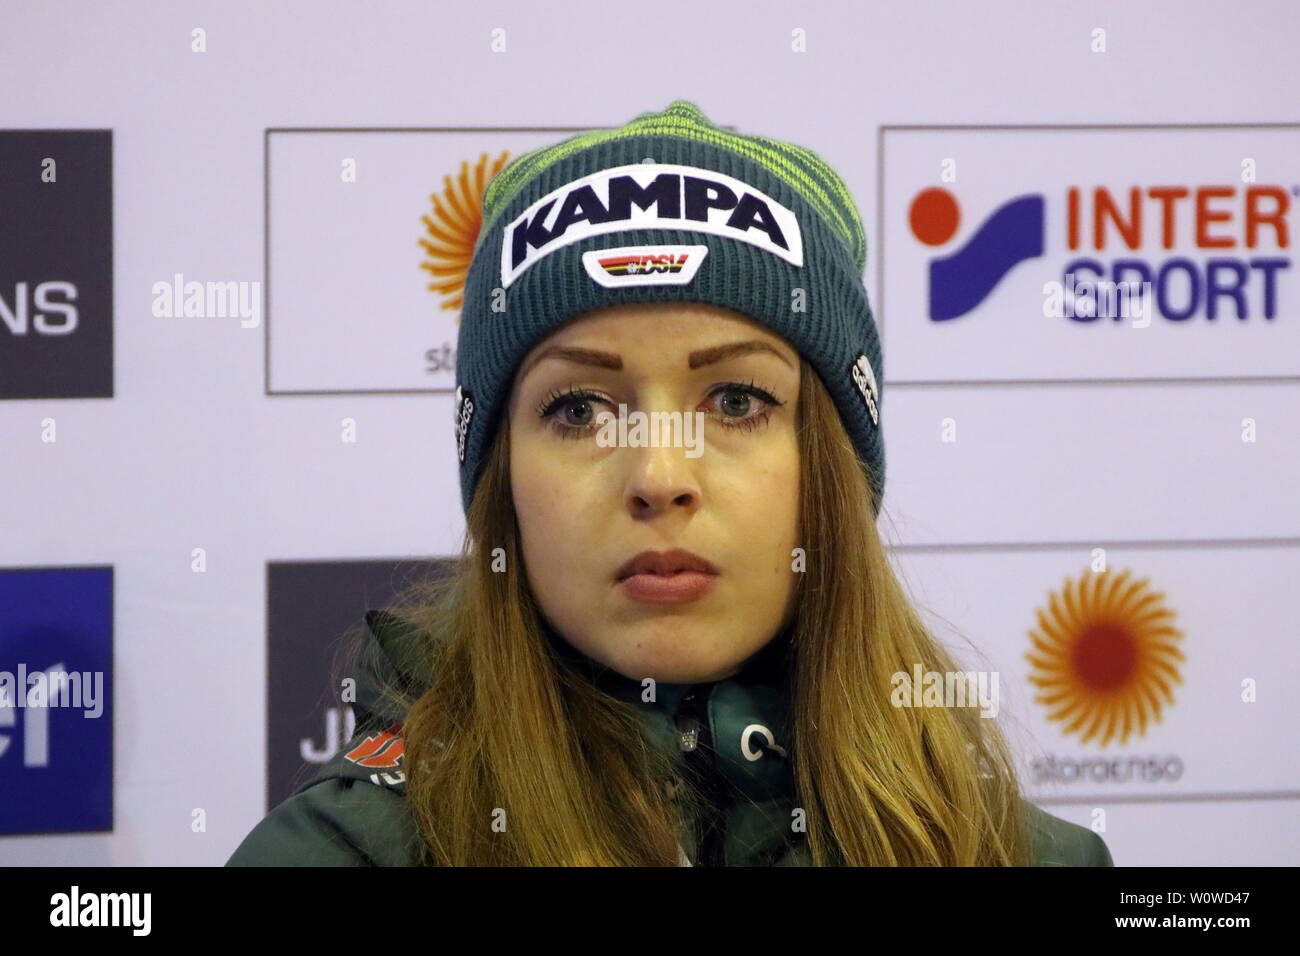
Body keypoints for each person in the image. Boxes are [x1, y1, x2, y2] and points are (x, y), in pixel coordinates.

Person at [227, 100, 1114, 867]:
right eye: (578, 409)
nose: (658, 475)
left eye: (735, 399)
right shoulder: (339, 853)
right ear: (502, 481)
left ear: (831, 471)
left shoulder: (1027, 857)